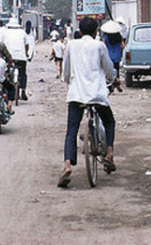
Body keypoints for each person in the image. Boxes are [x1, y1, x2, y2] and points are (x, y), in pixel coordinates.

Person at [58, 17, 117, 188]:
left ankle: (67, 165)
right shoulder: (99, 45)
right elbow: (108, 68)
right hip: (96, 94)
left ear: (80, 31)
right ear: (95, 32)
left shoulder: (71, 45)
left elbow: (67, 70)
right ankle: (109, 154)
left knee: (71, 131)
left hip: (77, 94)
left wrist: (69, 81)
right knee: (109, 121)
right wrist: (114, 79)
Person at [0, 17, 32, 100]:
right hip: (21, 57)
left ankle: (5, 90)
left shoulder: (4, 32)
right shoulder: (22, 32)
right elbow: (26, 45)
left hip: (8, 57)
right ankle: (23, 91)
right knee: (23, 73)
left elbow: (0, 44)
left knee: (5, 73)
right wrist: (26, 53)